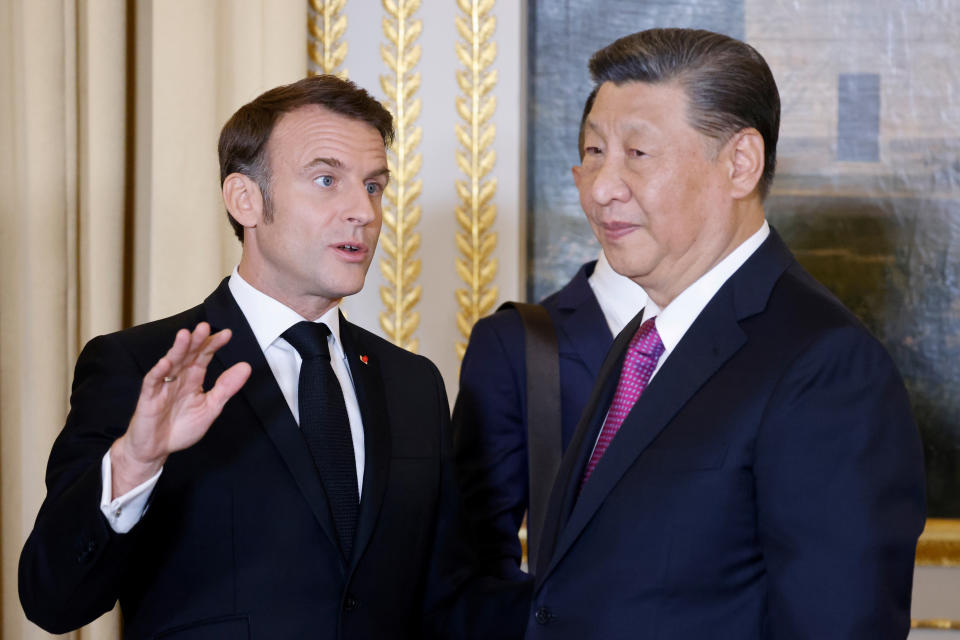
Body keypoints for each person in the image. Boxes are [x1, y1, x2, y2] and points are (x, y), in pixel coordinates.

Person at [19, 75, 528, 640]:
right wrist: (135, 464)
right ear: (246, 199)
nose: (363, 210)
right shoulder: (140, 366)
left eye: (375, 186)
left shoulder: (413, 384)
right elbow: (52, 600)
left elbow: (449, 600)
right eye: (327, 180)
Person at [526, 29, 926, 639]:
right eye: (593, 151)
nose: (601, 186)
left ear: (740, 163)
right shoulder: (644, 341)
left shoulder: (826, 367)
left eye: (637, 154)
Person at [453, 88, 647, 580]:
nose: (611, 184)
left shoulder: (748, 333)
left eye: (640, 153)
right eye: (594, 153)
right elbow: (476, 554)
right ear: (579, 179)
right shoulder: (517, 343)